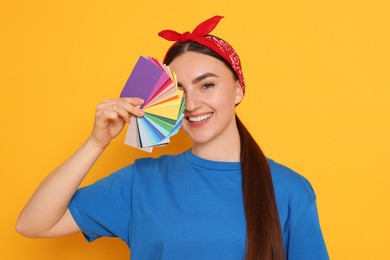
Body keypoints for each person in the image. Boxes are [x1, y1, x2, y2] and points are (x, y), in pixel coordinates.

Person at [16, 16, 329, 260]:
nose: (191, 104)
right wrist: (96, 143)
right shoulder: (141, 182)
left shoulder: (290, 190)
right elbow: (32, 224)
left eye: (206, 85)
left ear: (237, 89)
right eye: (177, 91)